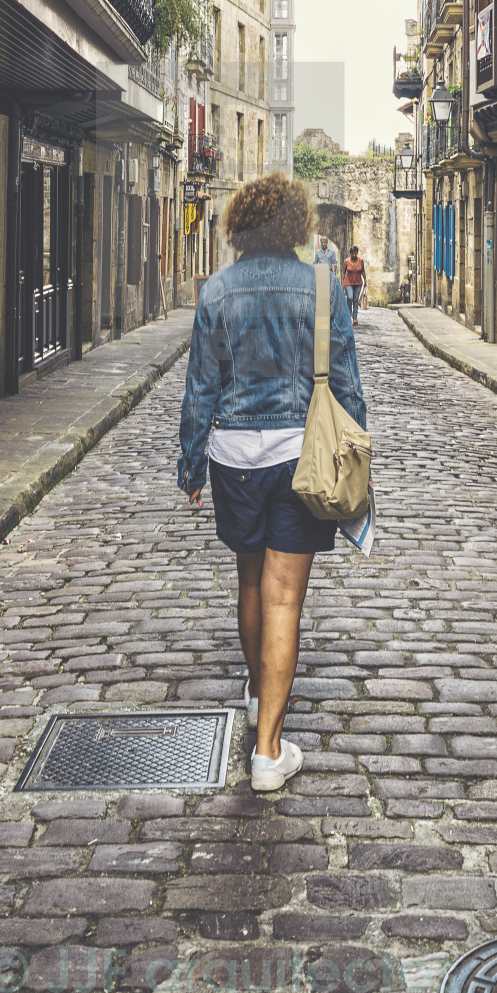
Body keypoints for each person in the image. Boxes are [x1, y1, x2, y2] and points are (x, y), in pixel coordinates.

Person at [178, 174, 366, 793]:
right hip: (299, 453)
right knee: (286, 597)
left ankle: (261, 694)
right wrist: (355, 462)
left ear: (239, 224)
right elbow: (345, 379)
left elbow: (201, 385)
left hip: (233, 455)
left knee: (251, 580)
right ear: (296, 226)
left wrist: (191, 464)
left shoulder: (218, 290)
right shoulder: (320, 284)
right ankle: (268, 752)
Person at [342, 246, 366, 325]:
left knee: (355, 299)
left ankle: (355, 317)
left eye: (356, 254)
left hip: (358, 282)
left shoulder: (361, 261)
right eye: (353, 254)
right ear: (350, 253)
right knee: (350, 297)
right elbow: (343, 272)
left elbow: (363, 271)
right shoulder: (346, 261)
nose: (355, 255)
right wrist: (342, 283)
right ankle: (349, 315)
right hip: (348, 282)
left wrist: (365, 280)